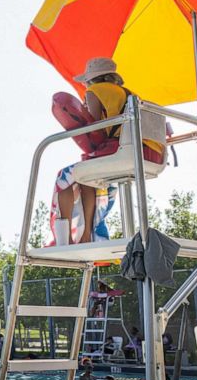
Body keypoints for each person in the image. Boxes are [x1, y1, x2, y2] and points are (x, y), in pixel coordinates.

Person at [51, 57, 163, 245]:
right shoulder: (130, 94)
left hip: (123, 151)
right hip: (151, 153)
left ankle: (65, 239)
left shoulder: (94, 92)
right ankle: (87, 234)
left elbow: (94, 127)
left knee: (64, 177)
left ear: (91, 80)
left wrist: (83, 113)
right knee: (86, 176)